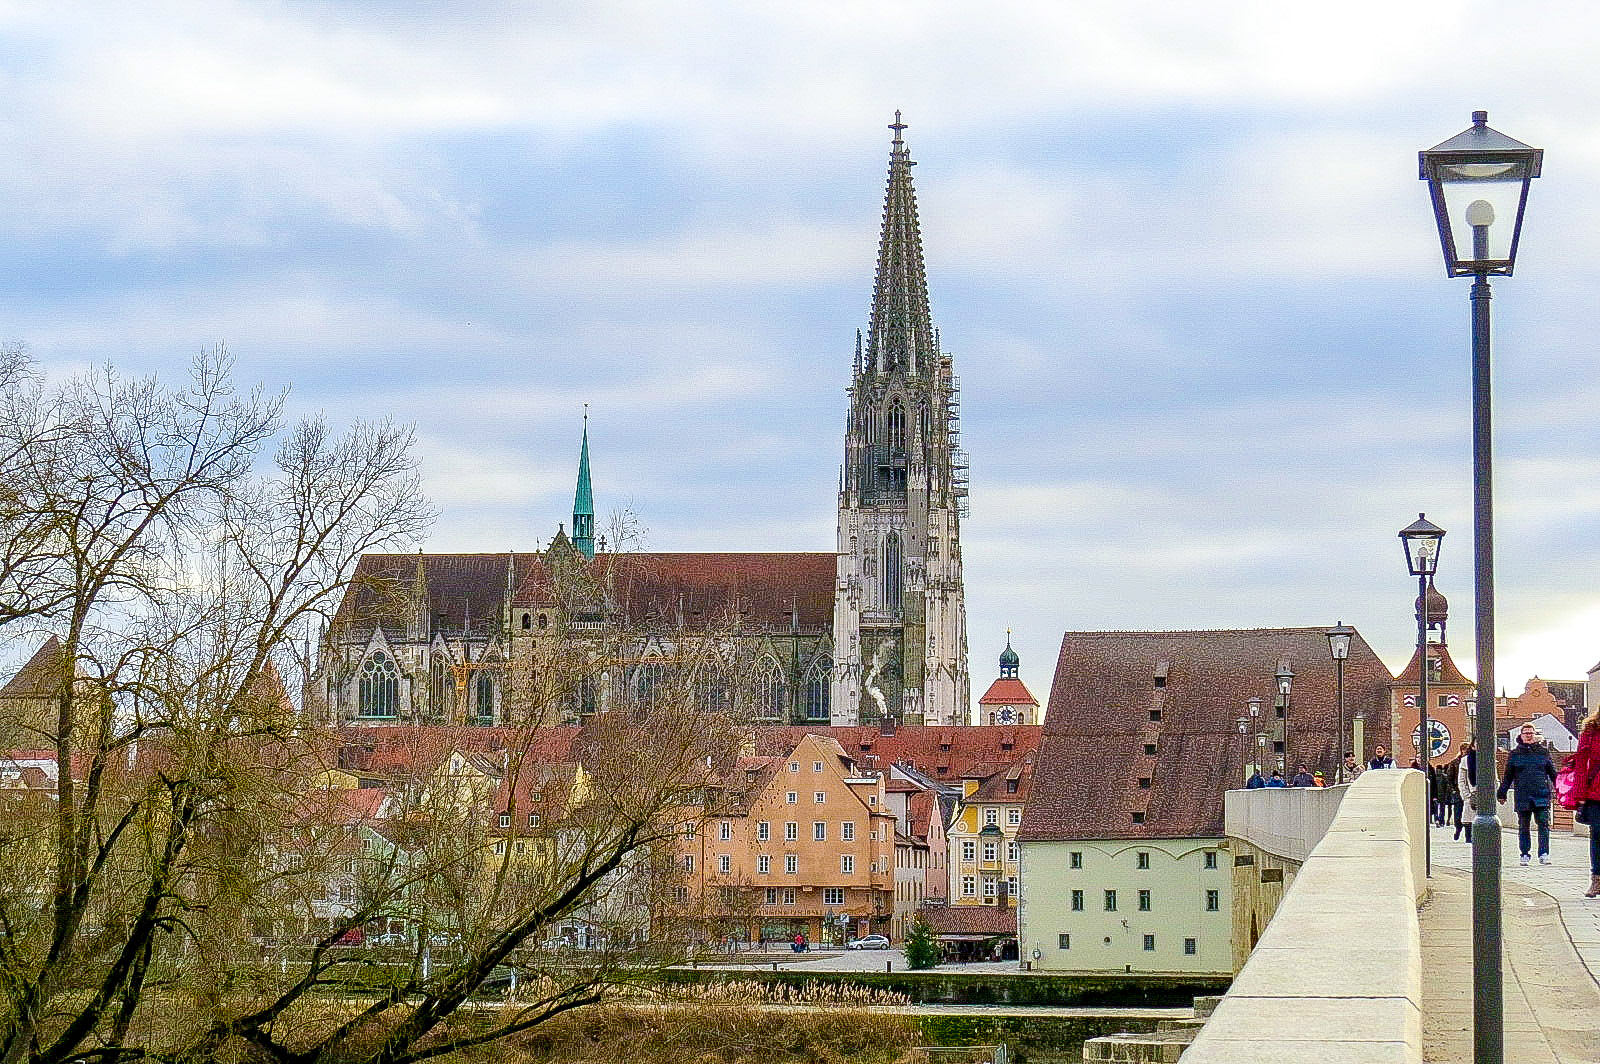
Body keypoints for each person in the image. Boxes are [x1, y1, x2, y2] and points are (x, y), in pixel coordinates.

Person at [1498, 722, 1557, 866]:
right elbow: (1508, 776)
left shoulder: (1543, 752)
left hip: (1541, 795)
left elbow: (1552, 773)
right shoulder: (1514, 754)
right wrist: (1502, 793)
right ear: (1521, 735)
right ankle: (1524, 853)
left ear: (1534, 734)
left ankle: (1544, 853)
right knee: (1523, 826)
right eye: (1526, 733)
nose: (1529, 735)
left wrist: (1560, 789)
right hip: (1523, 796)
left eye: (1531, 733)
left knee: (1543, 824)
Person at [1569, 706, 1600, 898]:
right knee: (1597, 833)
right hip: (1595, 791)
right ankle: (1596, 879)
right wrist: (1580, 793)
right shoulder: (1591, 729)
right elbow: (1581, 763)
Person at [1445, 741, 1469, 841]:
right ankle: (1458, 829)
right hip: (1458, 791)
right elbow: (1449, 778)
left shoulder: (1471, 761)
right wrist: (1453, 790)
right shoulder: (1455, 762)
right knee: (1458, 813)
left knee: (1469, 813)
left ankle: (1469, 834)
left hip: (1469, 791)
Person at [1456, 741, 1475, 844]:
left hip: (1486, 794)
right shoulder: (1465, 761)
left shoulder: (1488, 759)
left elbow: (1495, 779)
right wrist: (1466, 795)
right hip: (1471, 793)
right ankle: (1468, 838)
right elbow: (1462, 780)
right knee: (1468, 817)